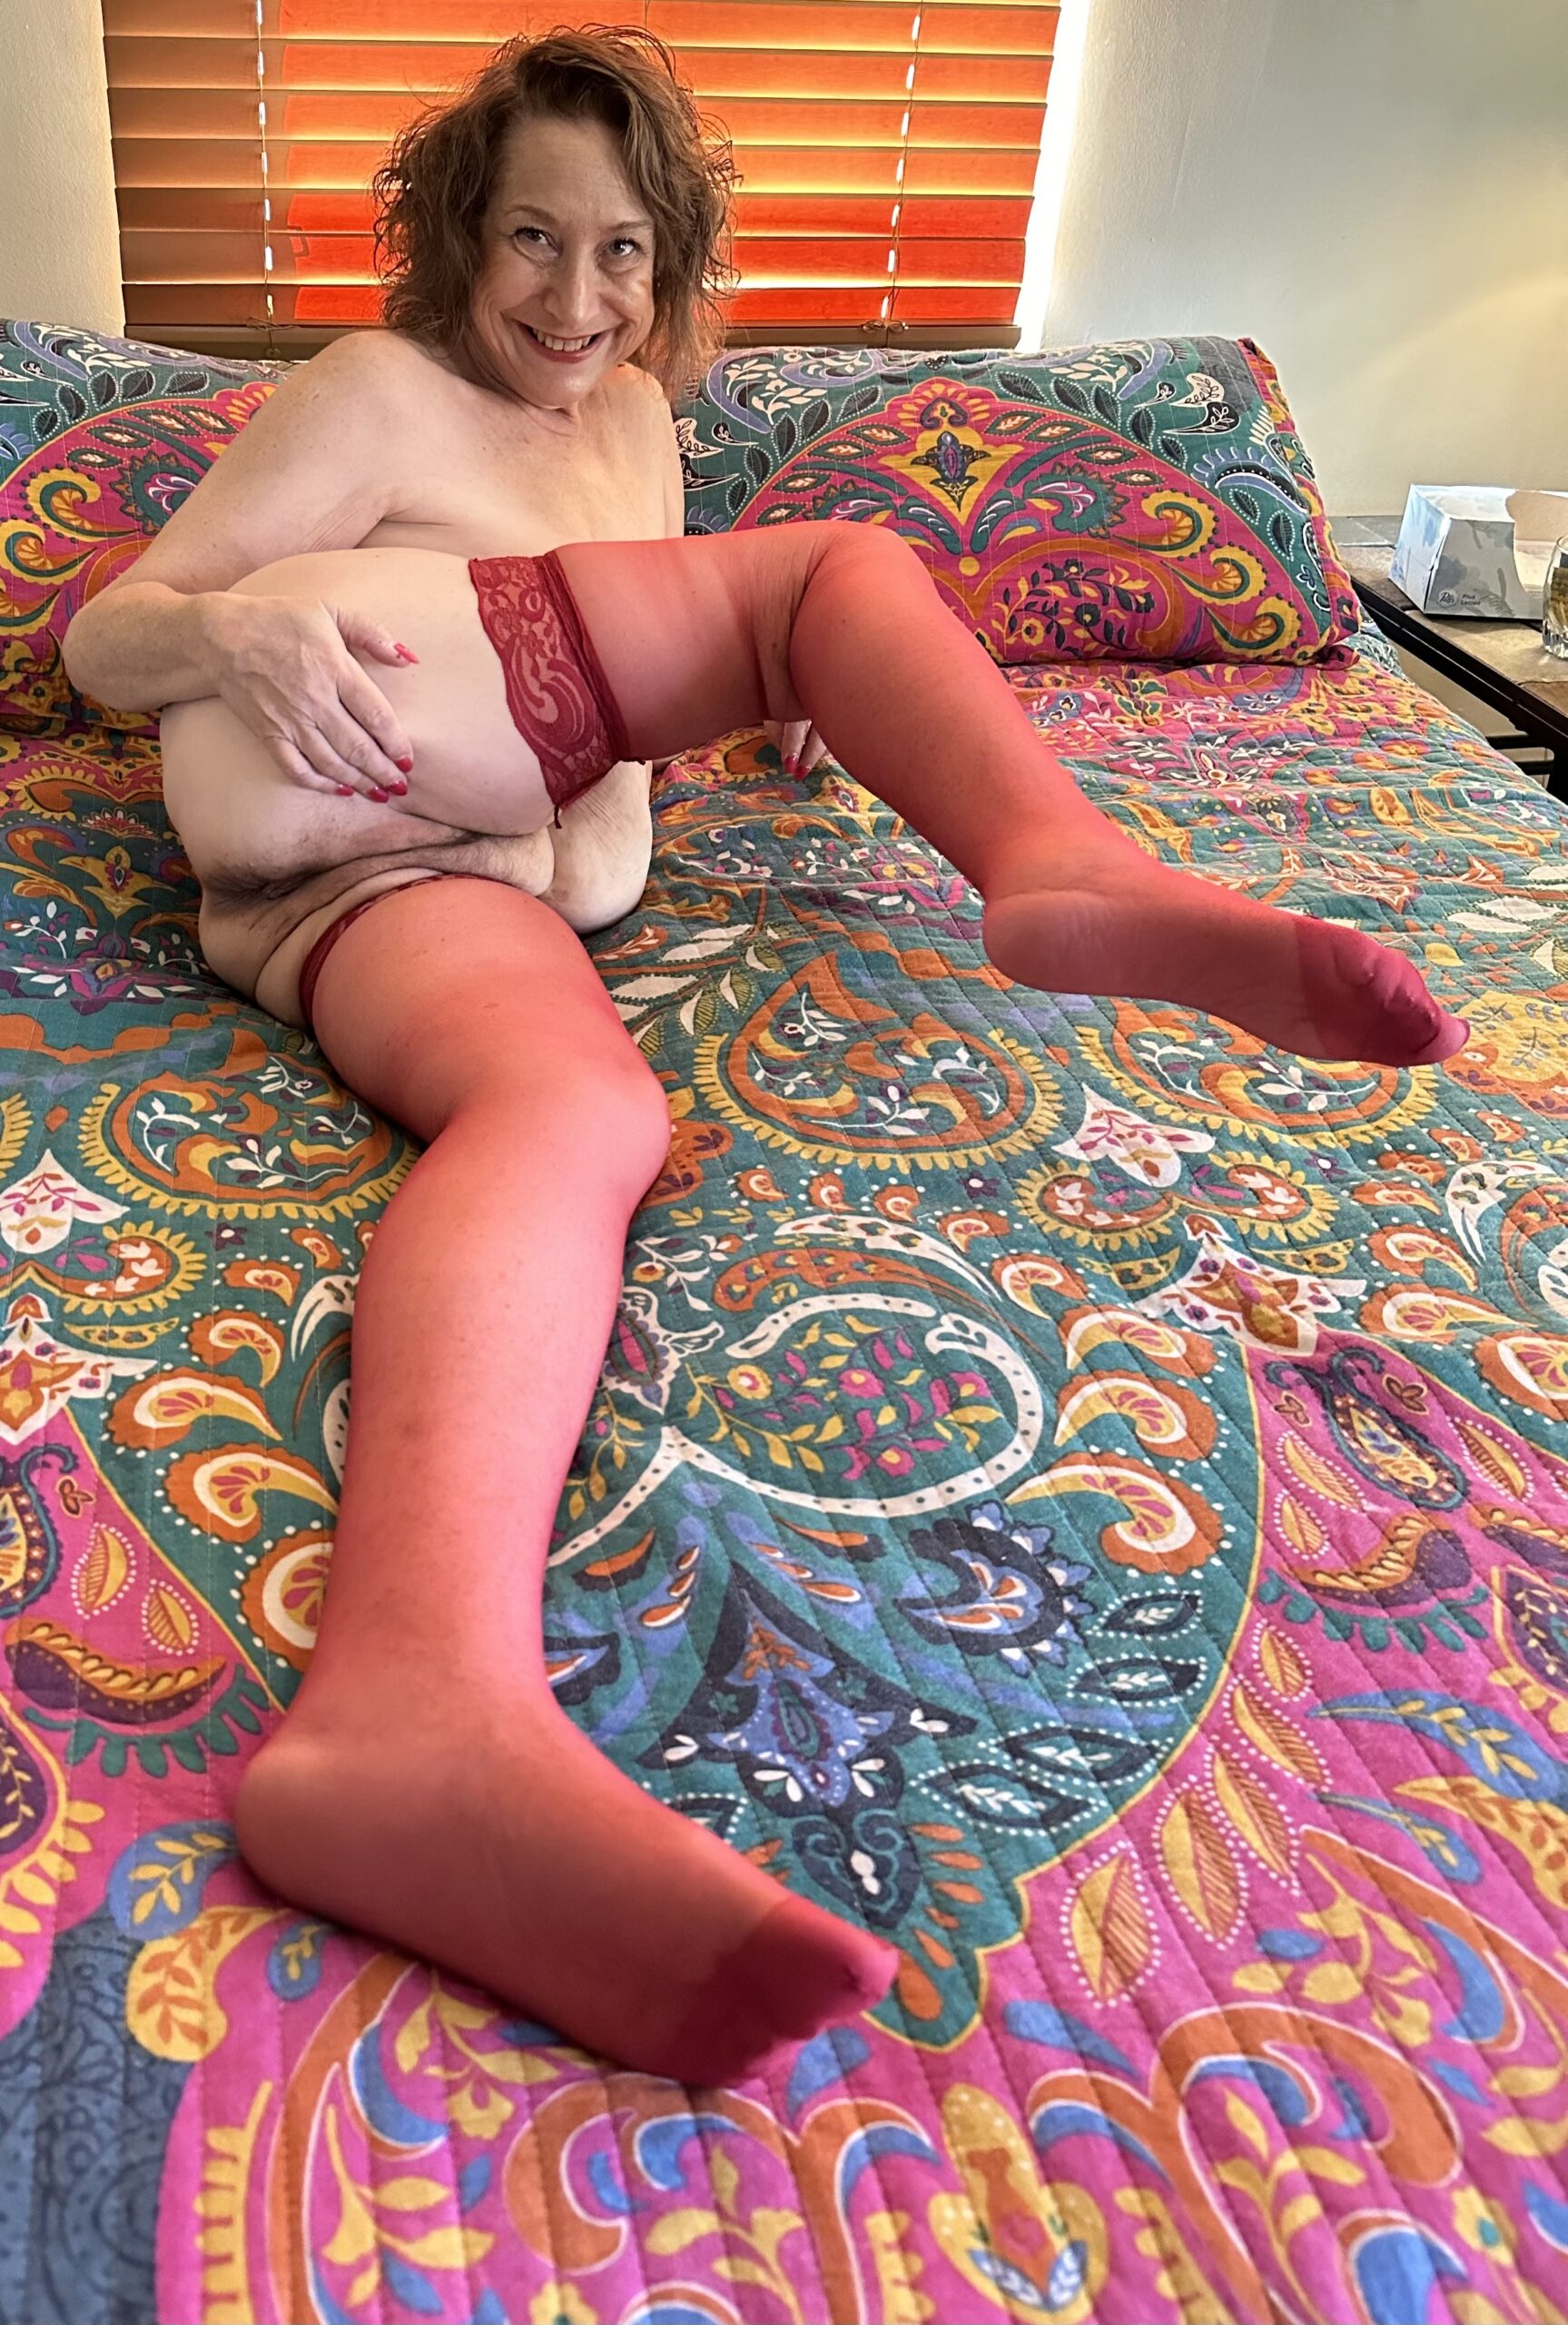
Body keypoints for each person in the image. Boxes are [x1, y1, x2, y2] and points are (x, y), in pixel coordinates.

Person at [62, 26, 1467, 2089]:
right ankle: (1056, 858)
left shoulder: (640, 425)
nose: (575, 297)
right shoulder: (373, 391)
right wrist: (232, 627)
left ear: (670, 266)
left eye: (622, 251)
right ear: (457, 233)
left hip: (395, 891)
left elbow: (605, 657)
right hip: (316, 743)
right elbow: (106, 632)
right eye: (529, 238)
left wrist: (779, 695)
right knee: (837, 569)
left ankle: (412, 1708)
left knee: (578, 1113)